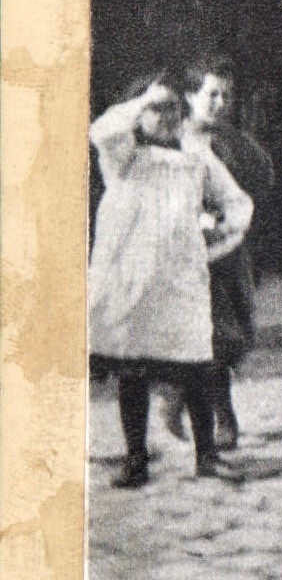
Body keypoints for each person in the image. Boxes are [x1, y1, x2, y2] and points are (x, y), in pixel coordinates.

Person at [89, 75, 253, 488]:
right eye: (156, 110)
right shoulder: (122, 155)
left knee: (197, 366)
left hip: (182, 281)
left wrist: (219, 236)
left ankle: (207, 456)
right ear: (138, 112)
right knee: (133, 372)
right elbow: (102, 128)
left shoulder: (195, 157)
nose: (166, 118)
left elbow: (237, 203)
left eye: (172, 109)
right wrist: (147, 96)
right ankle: (136, 460)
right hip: (132, 284)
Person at [160, 58, 274, 451]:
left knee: (236, 333)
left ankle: (177, 395)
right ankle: (222, 418)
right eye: (212, 94)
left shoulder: (230, 140)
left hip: (230, 247)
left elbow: (260, 178)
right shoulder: (173, 139)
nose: (220, 102)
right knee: (214, 337)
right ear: (191, 96)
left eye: (226, 95)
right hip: (189, 253)